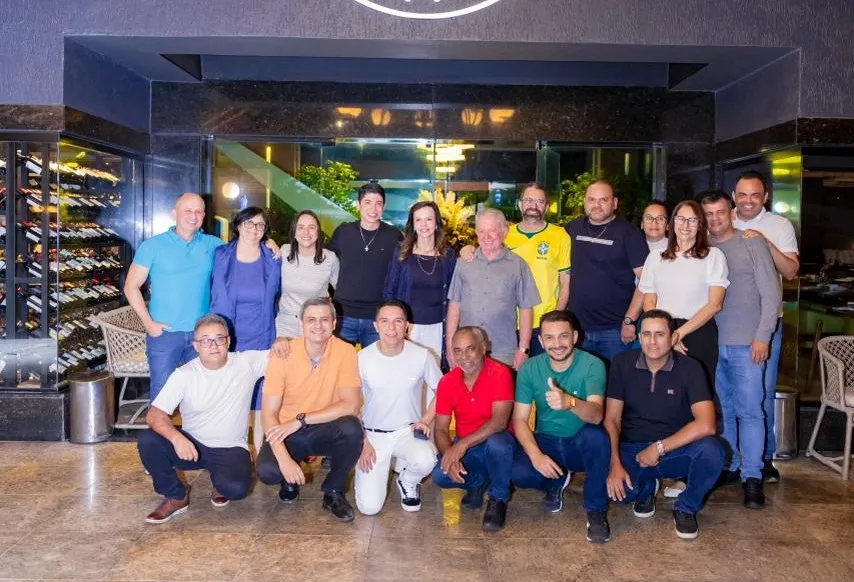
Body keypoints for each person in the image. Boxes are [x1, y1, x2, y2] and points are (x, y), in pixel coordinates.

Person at [137, 314, 272, 523]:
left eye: (219, 338)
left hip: (230, 446)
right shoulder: (184, 374)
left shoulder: (247, 362)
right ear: (196, 346)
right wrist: (176, 438)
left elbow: (289, 354)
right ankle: (176, 496)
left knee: (236, 489)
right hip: (193, 445)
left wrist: (283, 341)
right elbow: (155, 414)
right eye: (206, 340)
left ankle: (220, 480)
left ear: (228, 341)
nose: (213, 345)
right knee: (148, 440)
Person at [604, 310, 725, 540]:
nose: (652, 341)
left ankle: (686, 507)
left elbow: (707, 425)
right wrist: (615, 463)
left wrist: (659, 448)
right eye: (646, 334)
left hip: (673, 451)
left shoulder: (690, 368)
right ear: (639, 337)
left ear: (673, 338)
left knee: (712, 451)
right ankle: (646, 489)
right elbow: (612, 419)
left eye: (659, 334)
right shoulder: (622, 364)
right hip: (633, 450)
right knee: (616, 494)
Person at [702, 191, 780, 509]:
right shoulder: (701, 247)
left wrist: (763, 336)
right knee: (725, 412)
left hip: (747, 344)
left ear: (731, 212)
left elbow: (772, 295)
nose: (715, 219)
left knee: (750, 412)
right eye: (708, 214)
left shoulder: (752, 243)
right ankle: (732, 466)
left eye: (720, 212)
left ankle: (753, 477)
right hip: (711, 345)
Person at [256, 297, 363, 522]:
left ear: (334, 323)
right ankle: (289, 480)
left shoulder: (346, 352)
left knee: (352, 428)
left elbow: (351, 405)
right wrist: (284, 460)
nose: (318, 325)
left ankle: (333, 491)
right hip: (286, 431)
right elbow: (268, 413)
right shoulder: (283, 354)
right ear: (301, 324)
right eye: (311, 320)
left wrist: (301, 420)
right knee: (268, 471)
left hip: (322, 428)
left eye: (324, 319)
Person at [510, 310, 612, 543]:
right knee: (518, 473)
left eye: (563, 336)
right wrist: (536, 456)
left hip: (580, 441)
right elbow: (519, 419)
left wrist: (570, 402)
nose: (557, 344)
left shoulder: (593, 365)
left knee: (597, 438)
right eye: (550, 338)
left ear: (575, 336)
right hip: (547, 441)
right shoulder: (529, 368)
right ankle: (556, 481)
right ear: (540, 340)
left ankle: (596, 511)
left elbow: (597, 415)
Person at [732, 170, 800, 483]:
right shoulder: (720, 220)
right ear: (734, 196)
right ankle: (732, 458)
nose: (748, 201)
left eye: (755, 195)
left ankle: (763, 458)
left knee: (762, 390)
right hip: (728, 321)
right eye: (742, 194)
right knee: (728, 394)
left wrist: (764, 242)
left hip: (766, 322)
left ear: (765, 197)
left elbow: (791, 271)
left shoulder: (779, 225)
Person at [124, 193, 224, 402]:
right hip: (164, 335)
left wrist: (269, 243)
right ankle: (158, 426)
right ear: (174, 213)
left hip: (202, 335)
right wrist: (149, 324)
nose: (193, 216)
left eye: (198, 212)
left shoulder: (214, 244)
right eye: (188, 210)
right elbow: (131, 287)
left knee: (201, 395)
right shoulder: (152, 246)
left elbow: (246, 248)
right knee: (162, 396)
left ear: (204, 215)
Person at [458, 183, 571, 358]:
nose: (533, 205)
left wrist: (556, 319)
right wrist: (468, 249)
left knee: (541, 373)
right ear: (520, 204)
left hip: (544, 324)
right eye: (529, 200)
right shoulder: (506, 233)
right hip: (507, 324)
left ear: (547, 207)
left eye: (540, 201)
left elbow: (565, 282)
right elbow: (484, 251)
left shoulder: (560, 235)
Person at [355, 300, 442, 515]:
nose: (391, 328)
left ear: (407, 326)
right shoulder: (361, 358)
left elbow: (444, 391)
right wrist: (362, 442)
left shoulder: (422, 355)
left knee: (426, 459)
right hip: (372, 437)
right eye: (385, 321)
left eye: (398, 321)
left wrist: (425, 420)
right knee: (369, 508)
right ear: (376, 326)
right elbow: (351, 405)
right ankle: (388, 466)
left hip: (407, 432)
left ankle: (408, 481)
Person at [210, 207, 282, 452]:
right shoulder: (220, 255)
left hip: (262, 335)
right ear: (238, 226)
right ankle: (233, 449)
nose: (254, 229)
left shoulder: (272, 257)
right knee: (231, 393)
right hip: (228, 336)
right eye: (249, 223)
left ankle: (260, 451)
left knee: (262, 393)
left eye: (260, 225)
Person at [431, 326, 515, 532]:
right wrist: (450, 455)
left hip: (498, 441)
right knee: (440, 475)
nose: (464, 357)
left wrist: (461, 446)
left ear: (483, 348)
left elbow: (499, 422)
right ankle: (478, 483)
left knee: (497, 443)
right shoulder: (447, 381)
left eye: (470, 349)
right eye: (458, 351)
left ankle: (498, 498)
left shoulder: (501, 373)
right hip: (468, 444)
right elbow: (440, 430)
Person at [638, 199, 729, 385]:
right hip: (662, 332)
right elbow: (648, 301)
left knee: (698, 389)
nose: (686, 225)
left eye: (692, 220)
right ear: (672, 223)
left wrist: (678, 335)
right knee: (662, 389)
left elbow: (715, 304)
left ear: (700, 225)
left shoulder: (713, 256)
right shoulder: (655, 257)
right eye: (681, 219)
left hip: (698, 331)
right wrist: (666, 333)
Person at [565, 180, 648, 361]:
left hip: (615, 332)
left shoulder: (629, 233)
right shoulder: (572, 228)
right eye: (592, 199)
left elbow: (647, 280)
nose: (597, 205)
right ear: (585, 202)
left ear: (614, 203)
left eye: (603, 200)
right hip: (576, 329)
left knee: (615, 378)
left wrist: (630, 319)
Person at [446, 209, 541, 369]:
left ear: (504, 231)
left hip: (503, 352)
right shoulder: (463, 263)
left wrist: (523, 349)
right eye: (481, 231)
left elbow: (526, 309)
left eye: (492, 231)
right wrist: (450, 347)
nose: (486, 237)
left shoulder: (518, 265)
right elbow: (455, 306)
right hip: (466, 352)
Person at [329, 182, 402, 347]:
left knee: (377, 362)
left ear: (384, 206)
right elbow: (323, 260)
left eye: (378, 203)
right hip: (343, 314)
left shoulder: (394, 236)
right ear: (358, 205)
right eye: (367, 202)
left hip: (378, 317)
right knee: (341, 362)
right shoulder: (343, 232)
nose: (373, 208)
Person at [383, 201, 456, 359]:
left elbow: (454, 296)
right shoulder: (401, 253)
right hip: (409, 329)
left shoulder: (448, 255)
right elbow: (390, 292)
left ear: (436, 223)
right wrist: (395, 326)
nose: (424, 225)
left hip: (438, 329)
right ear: (413, 225)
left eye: (428, 219)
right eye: (418, 220)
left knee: (434, 372)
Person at [276, 209, 339, 339]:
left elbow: (341, 289)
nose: (306, 232)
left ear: (318, 232)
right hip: (285, 327)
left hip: (316, 327)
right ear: (294, 232)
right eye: (300, 227)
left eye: (311, 227)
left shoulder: (330, 258)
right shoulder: (284, 252)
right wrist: (268, 241)